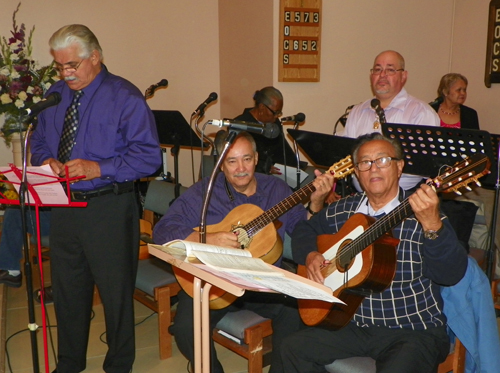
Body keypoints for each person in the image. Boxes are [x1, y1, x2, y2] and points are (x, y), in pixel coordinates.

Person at [30, 24, 161, 373]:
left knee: (116, 293)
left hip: (109, 207)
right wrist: (45, 160)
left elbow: (149, 158)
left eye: (72, 65)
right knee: (68, 291)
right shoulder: (55, 96)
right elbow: (38, 141)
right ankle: (69, 363)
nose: (65, 73)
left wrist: (97, 167)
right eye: (59, 66)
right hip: (64, 205)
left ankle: (119, 364)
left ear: (96, 57)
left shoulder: (125, 97)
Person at [281, 133, 468, 373]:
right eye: (365, 163)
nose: (373, 168)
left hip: (412, 330)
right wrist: (309, 255)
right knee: (291, 349)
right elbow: (305, 229)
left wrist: (432, 226)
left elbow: (450, 274)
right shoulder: (342, 209)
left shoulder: (425, 214)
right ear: (357, 173)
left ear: (399, 167)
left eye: (382, 160)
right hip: (352, 323)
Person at [153, 131, 334, 373]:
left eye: (246, 159)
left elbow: (303, 229)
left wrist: (316, 203)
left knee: (296, 313)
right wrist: (207, 238)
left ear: (257, 158)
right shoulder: (205, 192)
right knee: (186, 328)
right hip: (215, 281)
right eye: (232, 161)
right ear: (220, 164)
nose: (241, 168)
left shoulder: (276, 190)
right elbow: (163, 229)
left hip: (262, 282)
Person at [343, 50, 440, 191]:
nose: (382, 75)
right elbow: (348, 155)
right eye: (377, 70)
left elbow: (427, 166)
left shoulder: (420, 112)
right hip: (360, 197)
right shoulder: (358, 111)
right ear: (371, 76)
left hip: (406, 198)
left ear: (403, 76)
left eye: (390, 70)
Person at [233, 86, 296, 175]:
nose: (276, 117)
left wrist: (296, 170)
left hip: (277, 178)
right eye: (275, 112)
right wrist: (264, 167)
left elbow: (283, 152)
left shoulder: (275, 124)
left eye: (279, 113)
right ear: (262, 107)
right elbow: (236, 160)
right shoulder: (240, 125)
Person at [0, 207, 50, 288]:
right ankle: (10, 269)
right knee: (14, 211)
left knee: (14, 212)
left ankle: (11, 270)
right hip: (49, 213)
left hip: (62, 219)